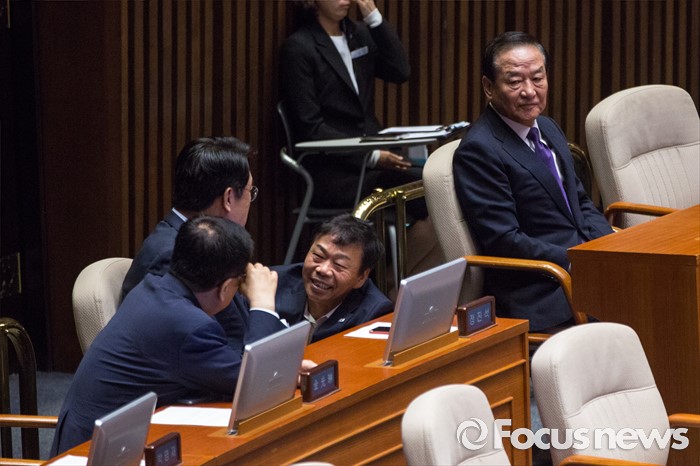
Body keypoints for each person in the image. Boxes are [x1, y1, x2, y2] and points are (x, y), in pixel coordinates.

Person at [51, 217, 291, 455]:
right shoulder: (188, 326)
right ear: (226, 287)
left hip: (113, 438)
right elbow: (257, 384)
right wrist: (262, 303)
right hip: (98, 453)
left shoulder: (154, 288)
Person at [453, 31, 614, 332]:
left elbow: (580, 202)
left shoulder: (548, 128)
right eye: (515, 82)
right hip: (542, 289)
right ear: (489, 87)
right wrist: (577, 260)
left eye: (538, 78)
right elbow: (505, 240)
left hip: (584, 271)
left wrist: (610, 248)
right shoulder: (479, 150)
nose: (529, 91)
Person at [279, 0, 426, 216]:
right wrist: (372, 155)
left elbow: (400, 70)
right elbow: (311, 128)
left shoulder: (358, 34)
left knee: (438, 180)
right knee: (425, 188)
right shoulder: (300, 47)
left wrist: (373, 16)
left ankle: (413, 239)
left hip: (376, 162)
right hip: (335, 173)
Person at [120, 136, 259, 350]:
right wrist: (262, 307)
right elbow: (218, 347)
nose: (251, 200)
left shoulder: (194, 242)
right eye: (251, 192)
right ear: (229, 198)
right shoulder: (175, 254)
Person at [272, 214, 393, 342]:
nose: (323, 270)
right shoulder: (273, 284)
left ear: (361, 277)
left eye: (339, 265)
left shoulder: (374, 314)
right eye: (318, 256)